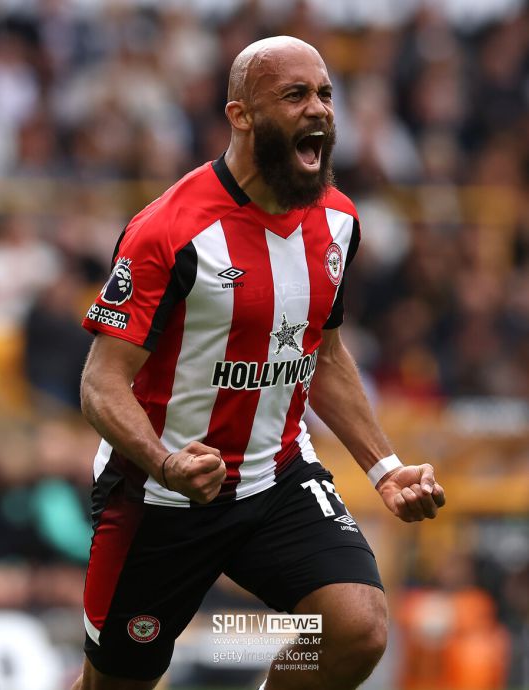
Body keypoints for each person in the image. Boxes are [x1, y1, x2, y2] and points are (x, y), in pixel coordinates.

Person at [73, 35, 446, 690]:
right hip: (159, 495)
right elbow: (101, 383)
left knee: (356, 629)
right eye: (295, 94)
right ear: (240, 114)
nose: (319, 109)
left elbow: (324, 355)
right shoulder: (169, 230)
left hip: (276, 478)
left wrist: (384, 469)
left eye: (325, 94)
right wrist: (165, 463)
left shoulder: (339, 222)